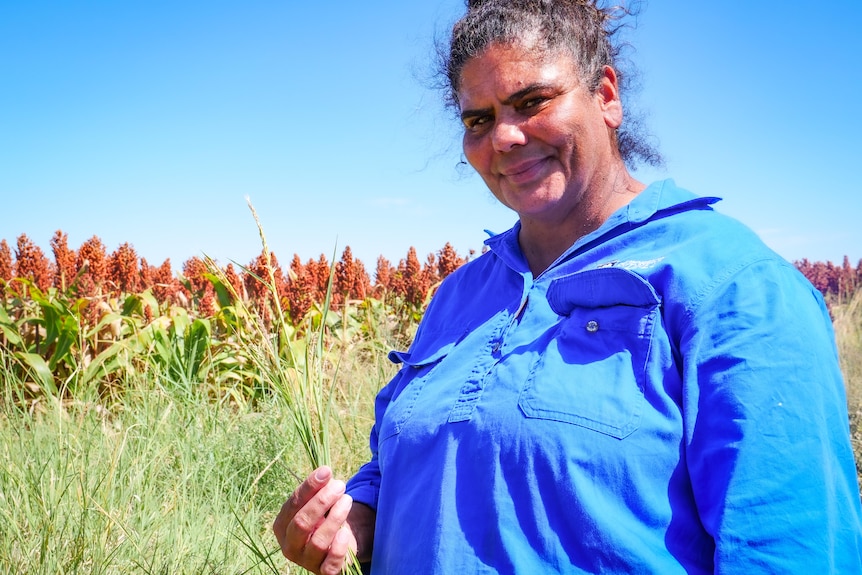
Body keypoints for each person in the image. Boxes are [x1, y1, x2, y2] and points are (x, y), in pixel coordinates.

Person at [273, 0, 862, 572]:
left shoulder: (733, 286)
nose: (503, 136)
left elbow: (789, 547)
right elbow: (402, 456)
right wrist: (362, 514)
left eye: (532, 101)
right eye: (478, 119)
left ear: (605, 96)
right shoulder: (457, 295)